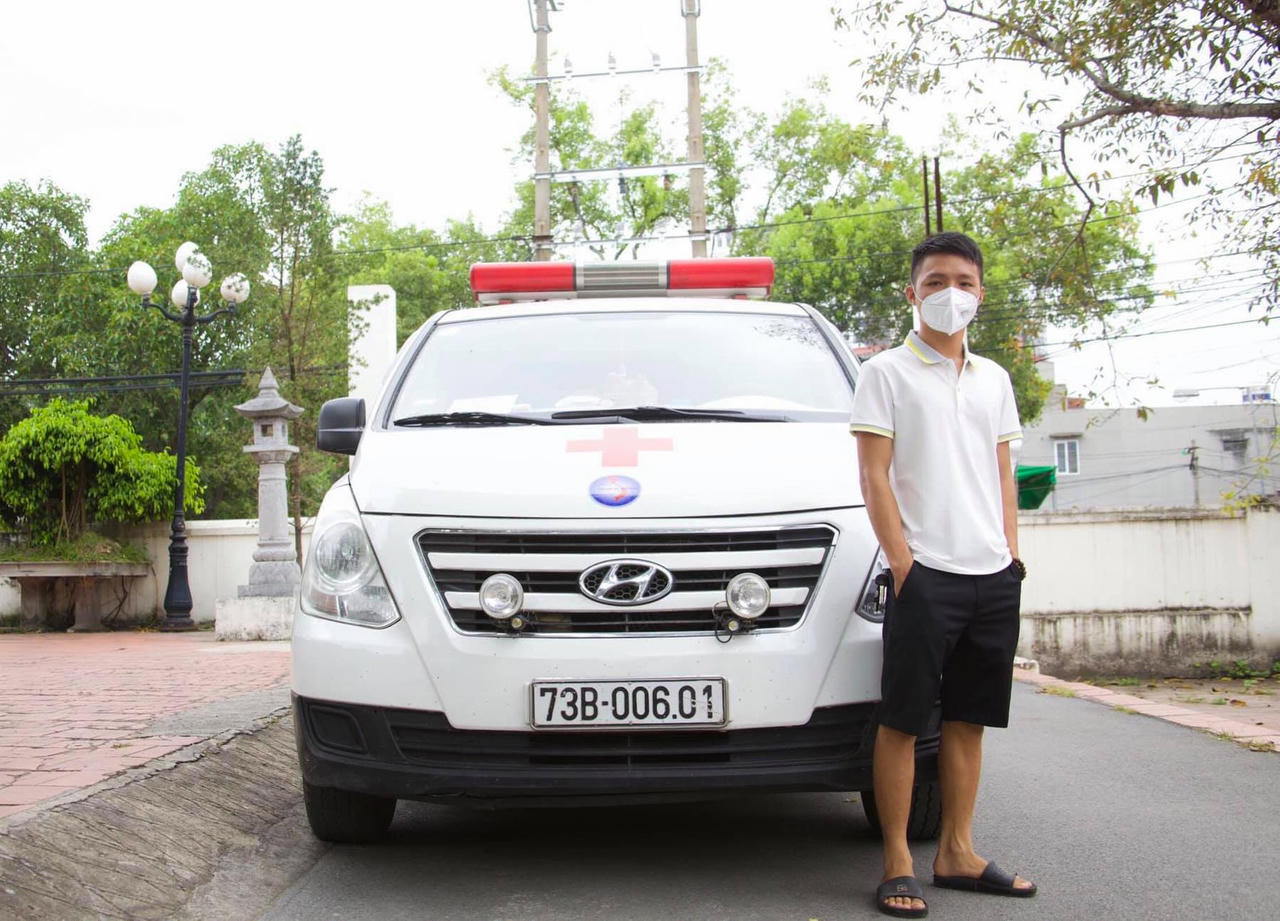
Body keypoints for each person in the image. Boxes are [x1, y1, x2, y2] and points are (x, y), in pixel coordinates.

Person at [849, 231, 1037, 918]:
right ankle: (899, 860)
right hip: (926, 573)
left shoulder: (995, 379)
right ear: (912, 292)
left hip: (992, 575)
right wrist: (905, 565)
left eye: (962, 280)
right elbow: (873, 475)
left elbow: (1003, 472)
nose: (949, 292)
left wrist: (1011, 556)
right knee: (901, 718)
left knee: (969, 718)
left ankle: (957, 850)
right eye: (934, 281)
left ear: (980, 292)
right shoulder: (886, 373)